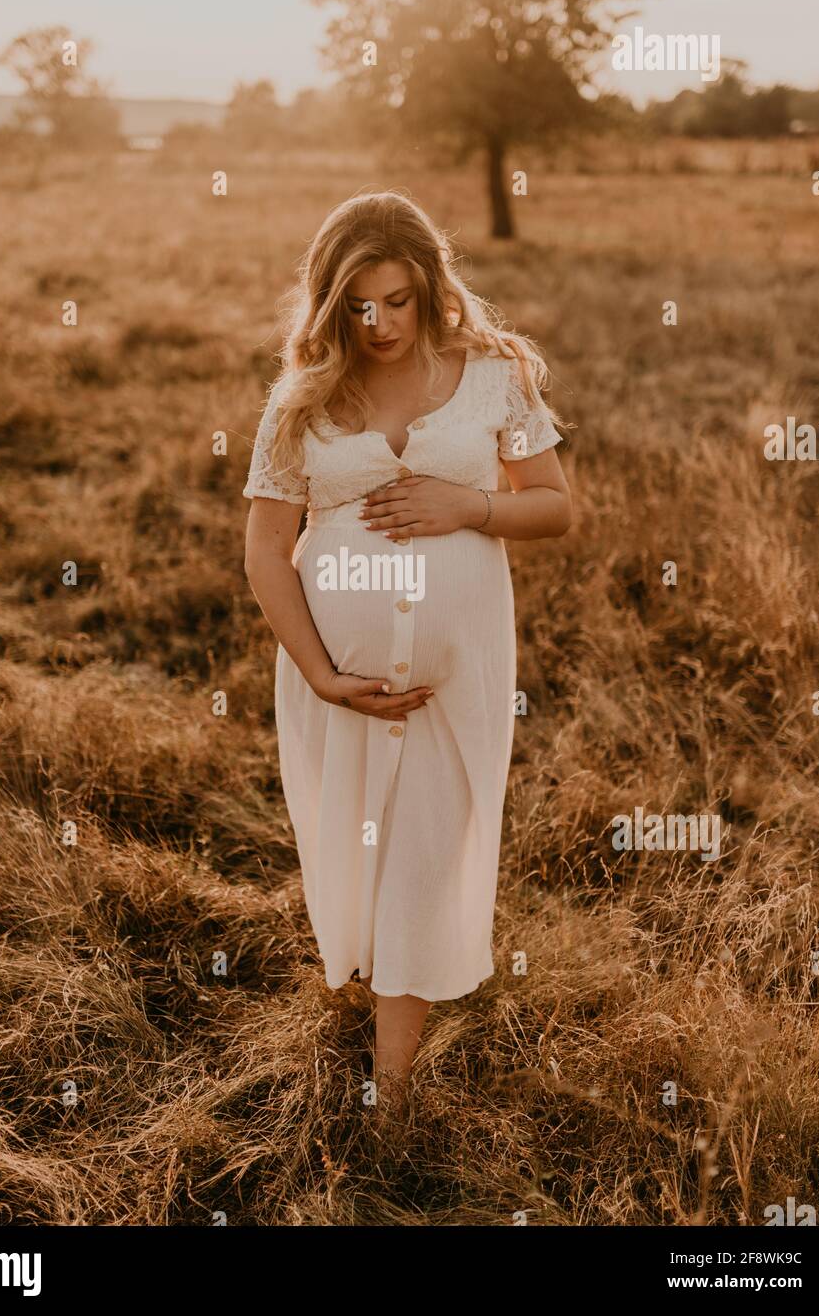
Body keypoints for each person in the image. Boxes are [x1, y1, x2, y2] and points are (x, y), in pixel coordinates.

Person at [242, 191, 572, 1137]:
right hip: (337, 680)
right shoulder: (301, 399)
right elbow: (266, 548)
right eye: (357, 306)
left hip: (455, 670)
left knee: (427, 849)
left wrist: (465, 507)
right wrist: (317, 671)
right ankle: (367, 983)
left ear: (431, 286)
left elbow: (552, 505)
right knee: (356, 847)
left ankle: (392, 1093)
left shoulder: (493, 376)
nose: (379, 324)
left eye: (396, 300)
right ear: (328, 302)